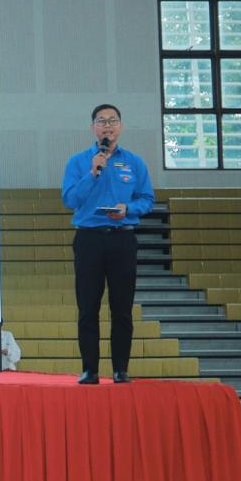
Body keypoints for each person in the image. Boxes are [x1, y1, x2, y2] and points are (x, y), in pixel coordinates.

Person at [61, 103, 154, 384]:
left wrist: (129, 209)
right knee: (88, 307)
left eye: (112, 121)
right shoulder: (78, 162)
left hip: (122, 238)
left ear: (120, 127)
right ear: (93, 128)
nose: (107, 126)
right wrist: (92, 173)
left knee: (122, 308)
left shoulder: (135, 162)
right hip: (88, 239)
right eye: (101, 121)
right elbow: (70, 200)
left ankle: (120, 369)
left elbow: (147, 199)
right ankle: (89, 370)